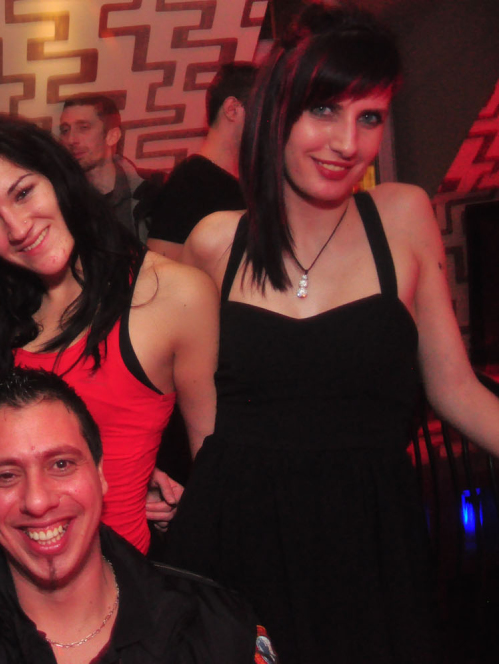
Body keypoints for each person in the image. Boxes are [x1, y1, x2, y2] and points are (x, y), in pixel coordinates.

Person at [162, 5, 499, 663]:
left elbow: (456, 389)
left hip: (370, 541)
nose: (349, 142)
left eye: (369, 117)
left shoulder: (402, 216)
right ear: (275, 114)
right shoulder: (213, 242)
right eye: (325, 111)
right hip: (238, 540)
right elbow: (189, 407)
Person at [0, 368, 277, 664]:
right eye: (6, 475)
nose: (37, 500)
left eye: (61, 464)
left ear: (101, 476)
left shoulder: (215, 626)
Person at [0, 115, 219, 554]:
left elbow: (213, 463)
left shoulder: (175, 294)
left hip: (119, 574)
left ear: (58, 175)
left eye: (23, 193)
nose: (18, 229)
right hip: (17, 567)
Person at [146, 63, 257, 260]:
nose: (274, 122)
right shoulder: (190, 182)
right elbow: (158, 267)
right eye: (266, 110)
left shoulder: (255, 179)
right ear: (232, 109)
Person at [58, 95, 162, 241]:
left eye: (83, 128)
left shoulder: (152, 193)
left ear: (112, 136)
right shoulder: (60, 197)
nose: (71, 139)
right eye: (65, 130)